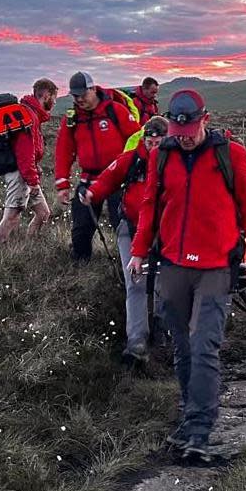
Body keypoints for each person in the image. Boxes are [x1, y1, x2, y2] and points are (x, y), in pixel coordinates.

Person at [127, 90, 246, 463]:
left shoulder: (230, 155)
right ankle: (191, 417)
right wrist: (139, 250)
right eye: (177, 128)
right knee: (183, 348)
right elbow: (149, 207)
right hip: (173, 263)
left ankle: (200, 430)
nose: (184, 136)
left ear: (205, 120)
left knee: (204, 345)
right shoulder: (162, 155)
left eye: (189, 128)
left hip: (215, 267)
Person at [82, 116, 169, 364]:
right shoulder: (132, 159)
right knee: (136, 283)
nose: (153, 146)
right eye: (149, 141)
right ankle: (137, 342)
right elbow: (109, 178)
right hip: (131, 229)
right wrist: (92, 193)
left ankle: (162, 327)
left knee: (166, 281)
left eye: (158, 142)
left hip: (167, 233)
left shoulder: (176, 163)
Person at [55, 71, 142, 262]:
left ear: (93, 89)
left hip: (118, 180)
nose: (79, 99)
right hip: (88, 180)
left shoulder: (115, 110)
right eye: (75, 96)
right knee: (81, 227)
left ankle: (129, 263)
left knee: (122, 224)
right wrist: (62, 183)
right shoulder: (72, 119)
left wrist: (134, 170)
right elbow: (64, 150)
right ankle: (81, 262)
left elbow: (137, 139)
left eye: (82, 95)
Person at [0, 78, 58, 245]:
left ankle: (30, 245)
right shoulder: (28, 116)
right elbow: (25, 154)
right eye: (54, 97)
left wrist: (34, 172)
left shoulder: (32, 115)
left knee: (43, 213)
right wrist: (33, 182)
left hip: (27, 173)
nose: (55, 102)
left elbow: (30, 153)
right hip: (20, 174)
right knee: (12, 215)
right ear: (46, 96)